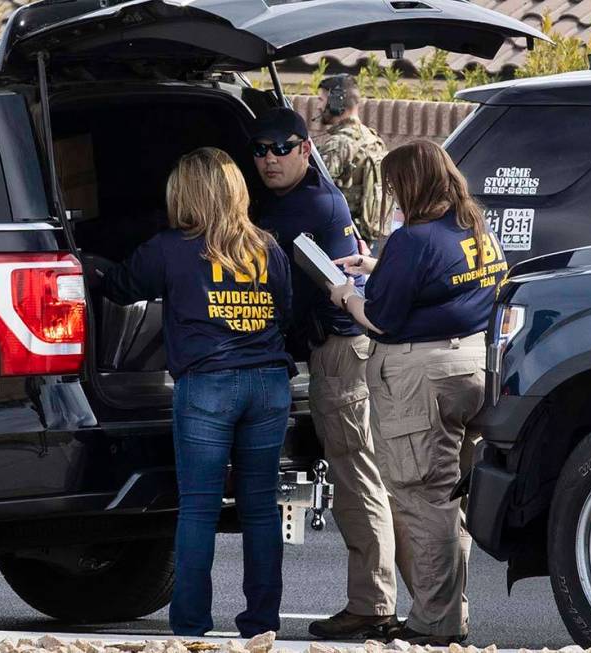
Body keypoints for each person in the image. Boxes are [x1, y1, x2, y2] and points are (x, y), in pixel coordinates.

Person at [95, 147, 294, 638]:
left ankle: (190, 625)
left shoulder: (169, 248)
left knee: (200, 507)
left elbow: (120, 286)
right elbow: (285, 312)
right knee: (261, 507)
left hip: (207, 385)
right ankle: (261, 623)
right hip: (269, 384)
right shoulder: (269, 247)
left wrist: (89, 262)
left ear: (185, 194)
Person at [328, 140, 508, 646]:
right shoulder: (473, 224)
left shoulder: (413, 238)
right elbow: (445, 281)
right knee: (451, 498)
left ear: (409, 185)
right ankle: (452, 616)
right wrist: (378, 271)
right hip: (475, 366)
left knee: (422, 499)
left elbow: (380, 318)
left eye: (393, 185)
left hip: (421, 376)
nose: (390, 194)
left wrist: (346, 295)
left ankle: (434, 623)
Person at [250, 108, 399, 640]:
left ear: (306, 149)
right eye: (260, 150)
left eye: (280, 148)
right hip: (331, 351)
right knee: (359, 476)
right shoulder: (297, 195)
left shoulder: (312, 204)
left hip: (340, 353)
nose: (269, 158)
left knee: (356, 480)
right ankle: (377, 601)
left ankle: (373, 605)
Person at [316, 74, 389, 251]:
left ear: (336, 102)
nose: (318, 106)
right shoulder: (373, 138)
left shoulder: (339, 144)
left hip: (338, 239)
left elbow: (314, 193)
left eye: (321, 100)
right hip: (366, 241)